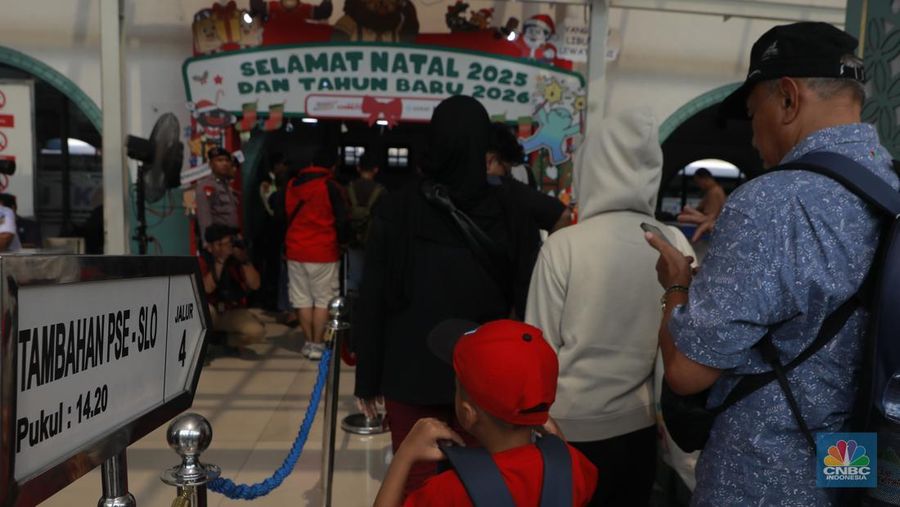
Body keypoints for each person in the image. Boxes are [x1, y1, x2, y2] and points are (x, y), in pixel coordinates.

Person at [645, 22, 899, 505]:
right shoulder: (889, 188)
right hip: (853, 460)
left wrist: (677, 288)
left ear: (787, 98)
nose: (753, 133)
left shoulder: (773, 202)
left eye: (751, 112)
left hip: (767, 473)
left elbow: (686, 372)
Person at [354, 95, 543, 495]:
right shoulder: (510, 211)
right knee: (482, 487)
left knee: (419, 486)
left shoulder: (397, 208)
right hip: (485, 381)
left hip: (409, 374)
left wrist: (367, 377)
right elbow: (528, 300)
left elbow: (372, 296)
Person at [526, 108, 696, 506]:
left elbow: (537, 348)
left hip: (563, 431)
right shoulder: (673, 244)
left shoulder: (563, 246)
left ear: (593, 167)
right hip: (638, 431)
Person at [374, 319, 598, 507]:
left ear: (467, 413)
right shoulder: (575, 466)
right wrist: (558, 446)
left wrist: (404, 455)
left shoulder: (448, 492)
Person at [284, 146, 349, 360]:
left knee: (301, 298)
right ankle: (318, 344)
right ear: (332, 166)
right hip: (323, 251)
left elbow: (281, 216)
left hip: (295, 250)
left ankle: (308, 342)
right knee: (323, 299)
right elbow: (342, 220)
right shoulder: (331, 186)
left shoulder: (292, 185)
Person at [487, 123, 571, 234]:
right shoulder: (512, 187)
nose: (509, 175)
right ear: (491, 161)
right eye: (507, 170)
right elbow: (562, 215)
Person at [198, 224, 265, 356]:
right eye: (222, 244)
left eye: (229, 243)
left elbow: (255, 285)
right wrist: (220, 260)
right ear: (211, 247)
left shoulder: (236, 260)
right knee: (206, 311)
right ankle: (200, 349)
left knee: (256, 332)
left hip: (230, 311)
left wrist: (245, 261)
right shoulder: (203, 260)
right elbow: (207, 288)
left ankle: (220, 341)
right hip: (211, 312)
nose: (228, 248)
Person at [346, 151, 386, 293]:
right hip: (373, 238)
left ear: (358, 168)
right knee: (372, 275)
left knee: (353, 274)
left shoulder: (349, 188)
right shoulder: (381, 191)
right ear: (376, 170)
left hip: (352, 237)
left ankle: (351, 308)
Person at [195, 146, 241, 245]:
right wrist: (208, 243)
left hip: (231, 239)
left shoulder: (226, 187)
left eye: (227, 160)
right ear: (211, 164)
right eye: (219, 160)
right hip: (218, 242)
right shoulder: (207, 186)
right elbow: (205, 217)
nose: (224, 163)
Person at [677, 168, 726, 243]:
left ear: (704, 179)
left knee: (682, 216)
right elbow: (700, 208)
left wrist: (689, 214)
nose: (698, 185)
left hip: (712, 224)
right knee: (685, 211)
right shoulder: (712, 191)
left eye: (697, 182)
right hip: (710, 222)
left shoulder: (714, 191)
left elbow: (711, 217)